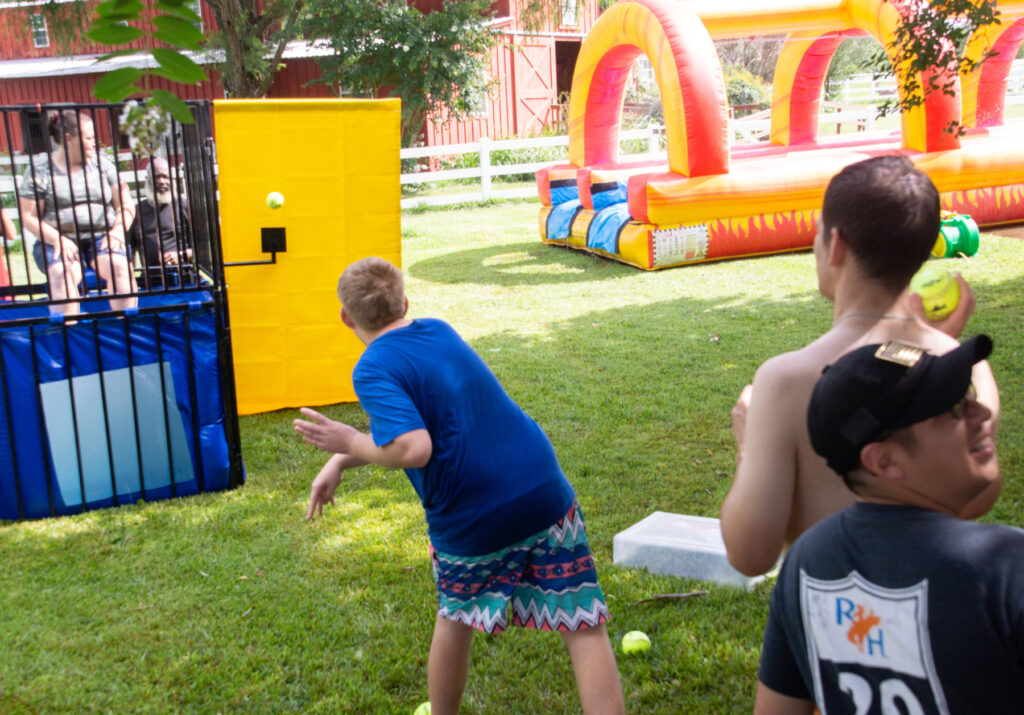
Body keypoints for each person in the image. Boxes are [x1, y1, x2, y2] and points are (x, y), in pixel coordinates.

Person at [293, 257, 625, 715]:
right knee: (584, 624)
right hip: (543, 488)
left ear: (346, 317)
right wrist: (341, 460)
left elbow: (412, 448)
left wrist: (347, 439)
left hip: (474, 517)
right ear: (405, 302)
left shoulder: (371, 368)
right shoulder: (439, 331)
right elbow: (416, 425)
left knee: (455, 617)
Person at [719, 155, 1000, 577]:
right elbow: (978, 496)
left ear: (838, 245)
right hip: (937, 615)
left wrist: (746, 445)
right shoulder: (964, 369)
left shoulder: (785, 380)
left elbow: (750, 556)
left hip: (837, 623)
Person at [754, 333, 1024, 714]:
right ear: (884, 461)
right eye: (954, 410)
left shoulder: (807, 561)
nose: (982, 414)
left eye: (968, 397)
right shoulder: (1006, 566)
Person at [16, 110, 136, 313]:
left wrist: (117, 229)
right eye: (89, 138)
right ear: (68, 138)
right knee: (61, 274)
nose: (94, 142)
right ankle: (71, 337)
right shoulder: (40, 170)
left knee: (120, 268)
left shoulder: (102, 165)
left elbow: (125, 204)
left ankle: (127, 333)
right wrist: (56, 239)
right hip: (57, 239)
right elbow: (28, 216)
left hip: (102, 236)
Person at [129, 156, 192, 287]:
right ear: (148, 180)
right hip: (150, 283)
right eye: (157, 177)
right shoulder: (136, 212)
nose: (162, 181)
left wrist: (181, 256)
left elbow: (202, 248)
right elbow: (130, 251)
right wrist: (131, 281)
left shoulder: (184, 206)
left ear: (172, 179)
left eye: (166, 176)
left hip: (183, 280)